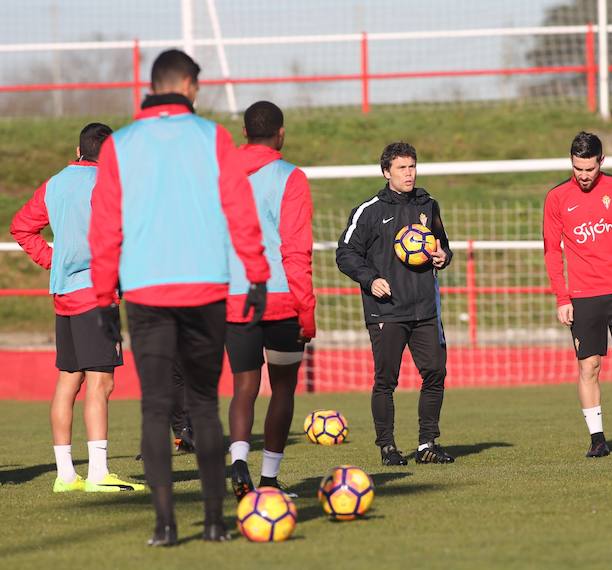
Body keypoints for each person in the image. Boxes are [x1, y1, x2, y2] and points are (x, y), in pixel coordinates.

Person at [89, 49, 270, 546]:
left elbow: (104, 230)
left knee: (154, 408)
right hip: (206, 289)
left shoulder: (119, 146)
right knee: (206, 406)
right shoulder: (214, 138)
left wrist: (104, 299)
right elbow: (240, 213)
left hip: (145, 294)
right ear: (188, 84)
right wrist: (255, 275)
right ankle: (215, 523)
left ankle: (165, 526)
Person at [10, 123, 143, 493]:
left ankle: (65, 475)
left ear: (78, 148)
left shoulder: (55, 183)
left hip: (64, 296)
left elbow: (22, 227)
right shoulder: (112, 186)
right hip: (96, 295)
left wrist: (54, 260)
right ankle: (99, 473)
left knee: (69, 380)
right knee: (101, 382)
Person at [336, 142, 454, 466]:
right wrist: (370, 279)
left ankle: (427, 444)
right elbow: (345, 253)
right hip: (386, 309)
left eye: (412, 167)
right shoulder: (369, 210)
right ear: (387, 172)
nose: (409, 173)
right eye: (402, 168)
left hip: (425, 309)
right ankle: (387, 447)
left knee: (435, 373)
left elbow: (442, 244)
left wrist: (444, 256)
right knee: (386, 380)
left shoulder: (428, 204)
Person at [543, 131, 612, 459]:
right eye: (578, 168)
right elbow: (552, 251)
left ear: (601, 162)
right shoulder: (557, 198)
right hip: (583, 296)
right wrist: (562, 297)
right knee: (589, 366)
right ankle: (597, 439)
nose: (583, 175)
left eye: (589, 169)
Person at [226, 101, 316, 500]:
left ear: (244, 133)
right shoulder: (291, 177)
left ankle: (239, 458)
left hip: (236, 297)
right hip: (280, 298)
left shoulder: (219, 177)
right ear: (281, 133)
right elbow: (296, 250)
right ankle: (269, 480)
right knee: (282, 389)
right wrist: (306, 310)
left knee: (244, 386)